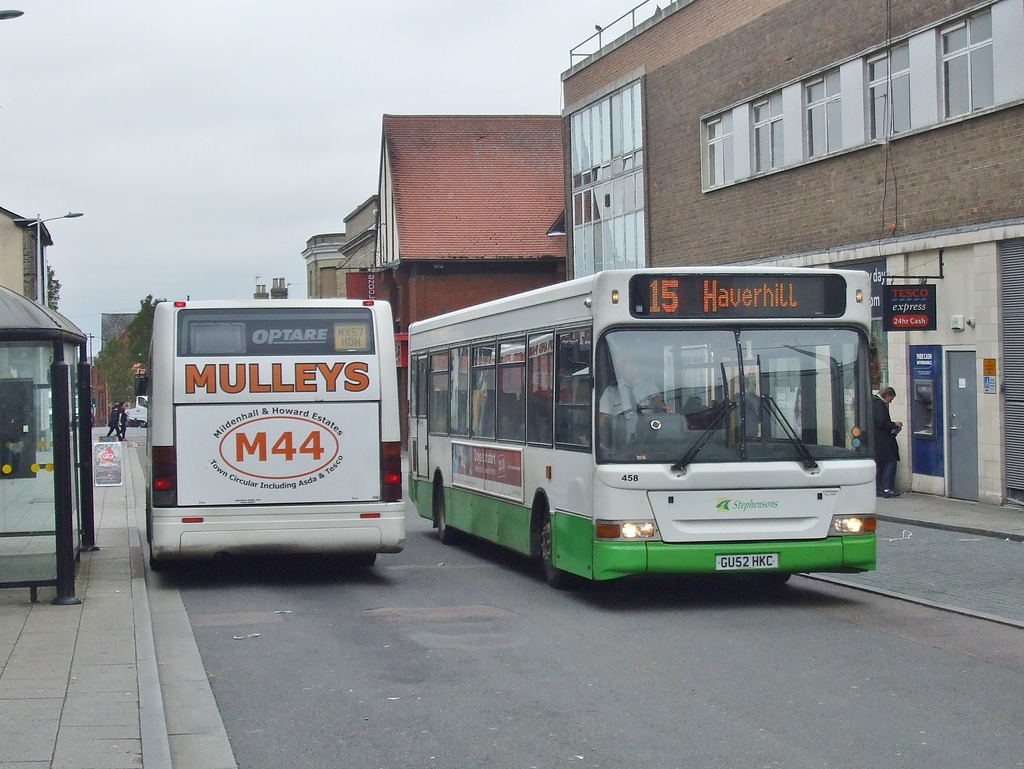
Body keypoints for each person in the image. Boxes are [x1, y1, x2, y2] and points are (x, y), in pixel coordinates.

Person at [872, 386, 902, 497]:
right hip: (884, 440)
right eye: (891, 398)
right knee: (891, 462)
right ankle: (887, 488)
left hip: (876, 440)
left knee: (879, 464)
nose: (891, 401)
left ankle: (878, 488)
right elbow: (882, 422)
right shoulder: (879, 405)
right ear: (887, 395)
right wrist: (894, 425)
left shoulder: (872, 402)